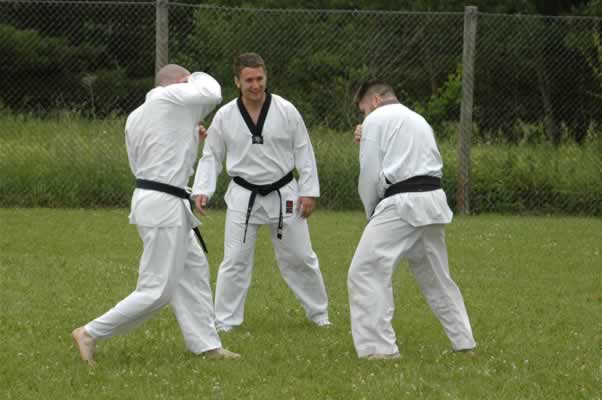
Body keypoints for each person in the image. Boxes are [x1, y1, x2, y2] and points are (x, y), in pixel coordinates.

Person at [71, 64, 240, 366]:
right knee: (157, 289)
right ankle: (90, 332)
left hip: (157, 199)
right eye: (186, 85)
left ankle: (207, 345)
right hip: (164, 205)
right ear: (178, 84)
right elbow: (212, 92)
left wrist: (188, 135)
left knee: (193, 271)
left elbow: (146, 160)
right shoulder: (169, 98)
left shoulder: (138, 114)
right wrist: (195, 78)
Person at [192, 53, 330, 332]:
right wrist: (202, 189)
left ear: (266, 77)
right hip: (243, 194)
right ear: (237, 82)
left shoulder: (286, 110)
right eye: (249, 80)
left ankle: (319, 315)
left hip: (284, 192)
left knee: (300, 257)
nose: (255, 85)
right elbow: (212, 155)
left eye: (259, 79)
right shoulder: (225, 116)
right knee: (235, 260)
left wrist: (309, 192)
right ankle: (225, 321)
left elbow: (304, 151)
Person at [347, 80, 476, 360]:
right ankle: (464, 342)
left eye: (364, 110)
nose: (364, 116)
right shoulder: (418, 119)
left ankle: (379, 350)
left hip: (401, 202)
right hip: (433, 200)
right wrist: (369, 132)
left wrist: (371, 212)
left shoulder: (375, 119)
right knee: (436, 277)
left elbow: (369, 173)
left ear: (376, 100)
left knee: (366, 271)